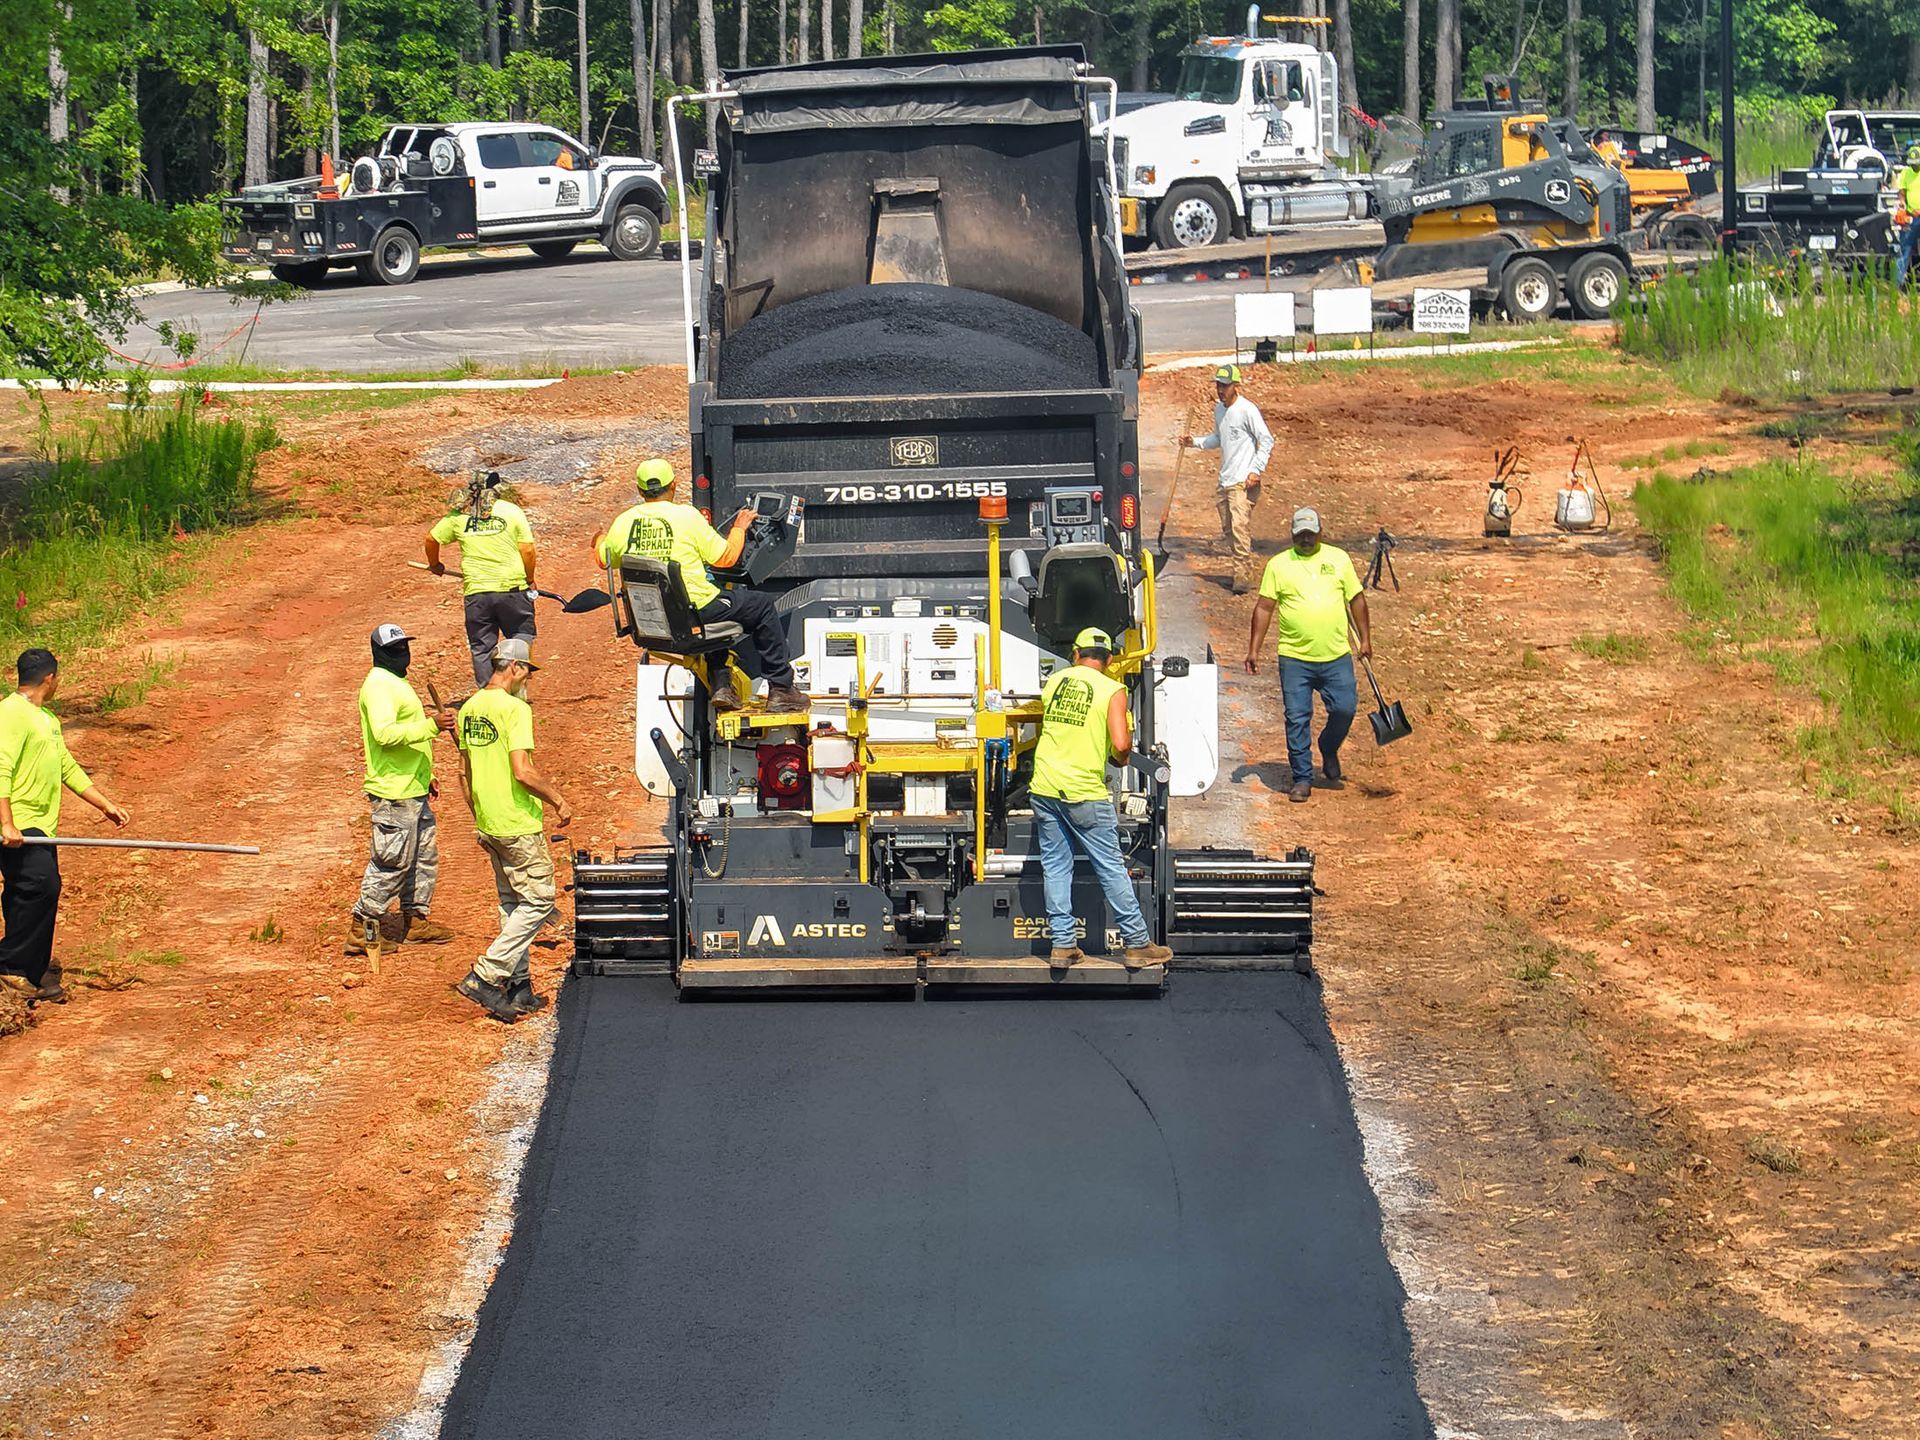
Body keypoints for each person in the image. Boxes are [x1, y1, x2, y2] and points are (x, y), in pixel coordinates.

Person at [593, 459, 807, 713]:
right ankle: (782, 689)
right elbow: (725, 558)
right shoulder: (686, 517)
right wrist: (739, 528)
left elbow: (603, 558)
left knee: (716, 604)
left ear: (640, 491)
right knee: (758, 605)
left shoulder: (624, 523)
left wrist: (601, 538)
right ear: (673, 485)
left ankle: (722, 686)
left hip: (654, 621)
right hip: (696, 612)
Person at [1029, 627, 1174, 973]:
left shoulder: (1055, 683)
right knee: (1110, 866)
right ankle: (1138, 943)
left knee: (1056, 866)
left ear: (1076, 654)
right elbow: (1122, 744)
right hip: (1083, 792)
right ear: (1109, 660)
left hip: (1045, 786)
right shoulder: (1112, 689)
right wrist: (1119, 758)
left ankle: (1063, 944)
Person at [0, 649, 131, 1003]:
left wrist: (106, 805)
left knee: (25, 893)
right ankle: (10, 966)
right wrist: (7, 822)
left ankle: (34, 971)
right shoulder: (10, 713)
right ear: (50, 678)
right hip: (18, 824)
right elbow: (1, 767)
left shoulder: (47, 720)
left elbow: (67, 768)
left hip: (41, 825)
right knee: (41, 886)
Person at [453, 639, 572, 1022]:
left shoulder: (469, 708)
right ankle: (486, 976)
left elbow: (465, 772)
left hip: (489, 819)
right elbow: (522, 770)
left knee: (511, 903)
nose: (529, 679)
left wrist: (478, 815)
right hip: (516, 822)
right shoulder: (515, 709)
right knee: (538, 900)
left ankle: (519, 988)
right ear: (516, 668)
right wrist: (557, 799)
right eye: (529, 672)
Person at [1244, 507, 1371, 805]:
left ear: (1320, 532)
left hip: (1336, 654)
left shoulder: (1338, 559)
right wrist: (1254, 649)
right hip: (1294, 657)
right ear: (1292, 534)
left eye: (1310, 534)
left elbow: (1357, 599)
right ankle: (1302, 777)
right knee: (1297, 718)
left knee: (1345, 709)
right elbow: (1264, 608)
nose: (1306, 539)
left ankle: (1328, 747)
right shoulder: (1278, 565)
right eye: (1300, 534)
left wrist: (1365, 639)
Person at [349, 623, 457, 960]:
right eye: (395, 649)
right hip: (394, 792)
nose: (403, 653)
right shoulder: (379, 686)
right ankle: (362, 927)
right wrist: (431, 726)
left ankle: (416, 921)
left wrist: (428, 775)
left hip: (413, 788)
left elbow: (407, 736)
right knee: (391, 862)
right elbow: (384, 734)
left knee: (422, 859)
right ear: (379, 653)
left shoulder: (397, 682)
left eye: (405, 646)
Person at [426, 471, 539, 689]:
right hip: (513, 588)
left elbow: (432, 538)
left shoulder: (460, 515)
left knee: (482, 646)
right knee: (520, 634)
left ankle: (488, 694)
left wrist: (435, 564)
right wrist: (530, 578)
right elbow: (527, 549)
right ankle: (516, 688)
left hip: (477, 593)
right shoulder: (511, 511)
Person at [1179, 364, 1275, 594]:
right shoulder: (1219, 411)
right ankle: (1241, 569)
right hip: (1225, 481)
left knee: (1240, 529)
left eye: (1225, 386)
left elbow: (1267, 440)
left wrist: (1255, 470)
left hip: (1243, 482)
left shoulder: (1247, 410)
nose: (1221, 390)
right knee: (1229, 529)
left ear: (1236, 386)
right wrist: (1194, 442)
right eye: (1218, 385)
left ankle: (1242, 579)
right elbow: (1217, 438)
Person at [1895, 145, 1920, 288]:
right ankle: (1897, 284)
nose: (1915, 166)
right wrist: (1902, 206)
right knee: (1904, 247)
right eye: (1913, 164)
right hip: (1912, 217)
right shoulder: (1906, 173)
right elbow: (1902, 193)